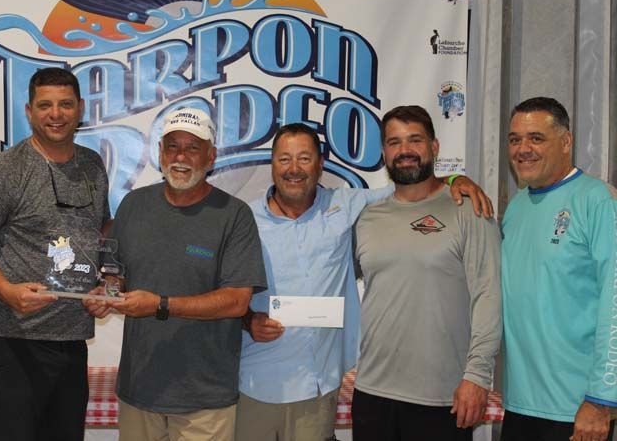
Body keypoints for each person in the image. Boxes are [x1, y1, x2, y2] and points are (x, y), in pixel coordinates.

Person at [235, 122, 493, 441]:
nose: (294, 169)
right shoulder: (244, 219)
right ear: (272, 164)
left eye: (304, 158)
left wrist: (454, 178)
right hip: (254, 383)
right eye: (284, 159)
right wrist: (248, 320)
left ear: (319, 165)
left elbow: (411, 185)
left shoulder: (345, 206)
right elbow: (226, 291)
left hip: (317, 389)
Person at [87, 107, 267, 440]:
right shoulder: (133, 205)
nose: (180, 156)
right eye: (172, 146)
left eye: (192, 148)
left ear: (210, 157)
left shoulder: (234, 215)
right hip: (140, 390)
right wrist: (106, 296)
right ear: (159, 152)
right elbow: (115, 275)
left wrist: (161, 304)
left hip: (205, 399)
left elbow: (237, 302)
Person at [0, 67, 110, 441]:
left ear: (80, 109)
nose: (55, 114)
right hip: (13, 344)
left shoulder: (93, 166)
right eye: (45, 105)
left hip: (72, 342)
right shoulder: (5, 171)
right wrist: (7, 291)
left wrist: (109, 282)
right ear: (29, 111)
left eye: (64, 104)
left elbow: (104, 233)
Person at [352, 105, 501, 441]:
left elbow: (489, 296)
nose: (405, 151)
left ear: (434, 147)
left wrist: (477, 377)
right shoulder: (367, 217)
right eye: (394, 142)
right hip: (373, 393)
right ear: (383, 153)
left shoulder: (470, 209)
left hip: (444, 397)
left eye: (415, 140)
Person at [500, 97, 617, 441]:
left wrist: (601, 399)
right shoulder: (517, 207)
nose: (523, 149)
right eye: (515, 139)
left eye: (536, 138)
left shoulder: (597, 201)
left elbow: (615, 300)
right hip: (520, 406)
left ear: (566, 142)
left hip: (578, 411)